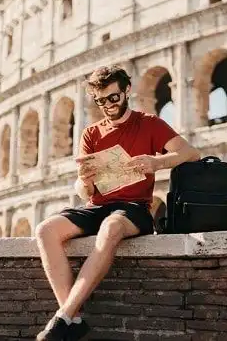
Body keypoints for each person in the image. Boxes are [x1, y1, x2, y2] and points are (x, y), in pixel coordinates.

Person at [34, 65, 201, 340]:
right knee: (45, 230)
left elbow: (190, 152)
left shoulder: (149, 123)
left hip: (133, 208)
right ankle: (72, 318)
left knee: (111, 229)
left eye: (113, 98)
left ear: (127, 91)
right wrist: (84, 180)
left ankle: (63, 318)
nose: (108, 106)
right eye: (100, 101)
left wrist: (156, 162)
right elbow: (84, 192)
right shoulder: (91, 134)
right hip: (97, 205)